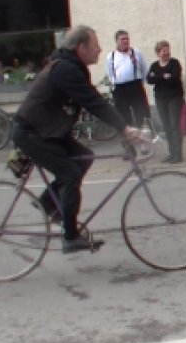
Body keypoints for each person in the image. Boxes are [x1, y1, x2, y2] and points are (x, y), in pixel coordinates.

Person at [12, 25, 141, 254]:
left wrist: (121, 126)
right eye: (95, 45)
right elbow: (94, 102)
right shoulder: (66, 69)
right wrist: (124, 128)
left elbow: (92, 101)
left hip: (46, 130)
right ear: (81, 48)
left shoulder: (71, 67)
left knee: (85, 157)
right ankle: (70, 237)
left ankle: (48, 203)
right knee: (69, 173)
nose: (100, 50)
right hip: (33, 132)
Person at [146, 40, 185, 164]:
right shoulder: (154, 65)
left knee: (174, 125)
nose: (166, 53)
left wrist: (159, 77)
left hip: (174, 98)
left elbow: (174, 78)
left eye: (167, 50)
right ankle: (171, 152)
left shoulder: (174, 63)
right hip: (160, 99)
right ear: (158, 53)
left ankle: (177, 154)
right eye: (163, 51)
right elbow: (150, 80)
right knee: (166, 126)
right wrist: (163, 76)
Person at [106, 30, 152, 127]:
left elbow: (144, 69)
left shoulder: (136, 52)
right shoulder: (111, 56)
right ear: (116, 41)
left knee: (141, 113)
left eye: (127, 39)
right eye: (123, 39)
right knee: (123, 115)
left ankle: (144, 134)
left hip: (135, 85)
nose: (126, 41)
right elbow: (110, 73)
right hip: (120, 88)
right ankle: (128, 139)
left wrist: (140, 84)